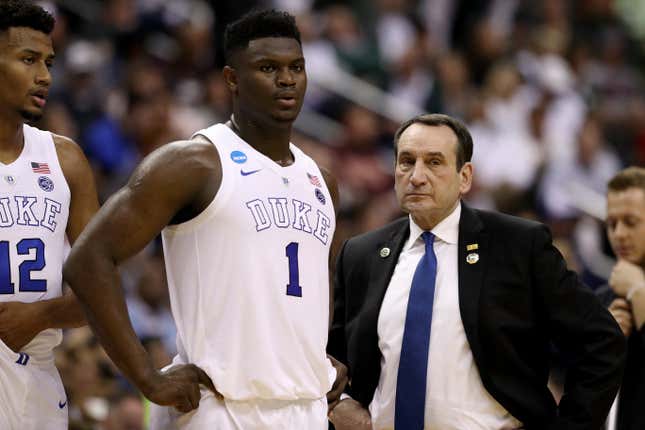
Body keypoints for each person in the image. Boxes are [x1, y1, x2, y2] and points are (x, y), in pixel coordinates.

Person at [63, 9, 347, 429]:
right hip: (224, 409)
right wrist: (146, 376)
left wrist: (323, 355)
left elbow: (311, 291)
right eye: (268, 68)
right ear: (232, 79)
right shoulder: (194, 162)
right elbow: (88, 260)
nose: (286, 80)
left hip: (306, 409)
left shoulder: (320, 180)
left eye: (296, 68)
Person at [327, 113, 626, 430]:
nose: (417, 175)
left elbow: (602, 342)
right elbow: (333, 359)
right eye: (406, 161)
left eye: (434, 162)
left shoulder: (517, 246)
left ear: (465, 177)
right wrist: (339, 404)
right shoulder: (361, 254)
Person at [0, 1, 99, 429]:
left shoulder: (65, 159)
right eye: (28, 60)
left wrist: (40, 315)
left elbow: (101, 292)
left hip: (37, 373)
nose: (45, 76)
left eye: (48, 62)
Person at [597, 167, 645, 430]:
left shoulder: (633, 291)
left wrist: (638, 291)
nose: (619, 234)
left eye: (631, 222)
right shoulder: (603, 301)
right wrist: (605, 345)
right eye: (612, 224)